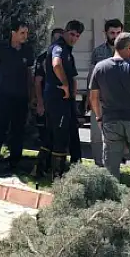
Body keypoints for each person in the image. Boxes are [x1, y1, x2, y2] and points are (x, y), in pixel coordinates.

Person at [89, 32, 130, 183]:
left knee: (111, 167)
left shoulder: (100, 67)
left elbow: (93, 97)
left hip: (111, 120)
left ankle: (111, 199)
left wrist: (99, 117)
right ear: (129, 47)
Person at [0, 20, 35, 177]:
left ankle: (14, 165)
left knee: (18, 132)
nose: (25, 36)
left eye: (26, 33)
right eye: (22, 33)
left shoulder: (27, 51)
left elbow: (29, 74)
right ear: (13, 33)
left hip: (20, 97)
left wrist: (31, 95)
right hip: (3, 96)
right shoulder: (1, 48)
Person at [37, 20, 84, 179]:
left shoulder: (68, 51)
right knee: (60, 136)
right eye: (72, 34)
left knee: (52, 134)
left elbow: (73, 76)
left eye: (77, 36)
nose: (74, 38)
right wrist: (64, 84)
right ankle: (57, 175)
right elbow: (56, 64)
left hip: (64, 100)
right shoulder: (59, 47)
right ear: (65, 31)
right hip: (57, 98)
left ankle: (40, 170)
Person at [88, 19, 124, 166]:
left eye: (118, 33)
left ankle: (113, 164)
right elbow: (91, 76)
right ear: (106, 33)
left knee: (117, 135)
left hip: (121, 101)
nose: (115, 36)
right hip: (100, 99)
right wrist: (89, 99)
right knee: (97, 134)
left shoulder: (128, 52)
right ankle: (98, 164)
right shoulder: (98, 52)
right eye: (112, 33)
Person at [32, 27, 63, 176]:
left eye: (60, 38)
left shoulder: (65, 55)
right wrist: (40, 103)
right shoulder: (43, 58)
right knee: (46, 136)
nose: (58, 41)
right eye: (56, 38)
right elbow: (37, 82)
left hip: (60, 103)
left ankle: (52, 168)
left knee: (57, 136)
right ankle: (40, 168)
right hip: (47, 101)